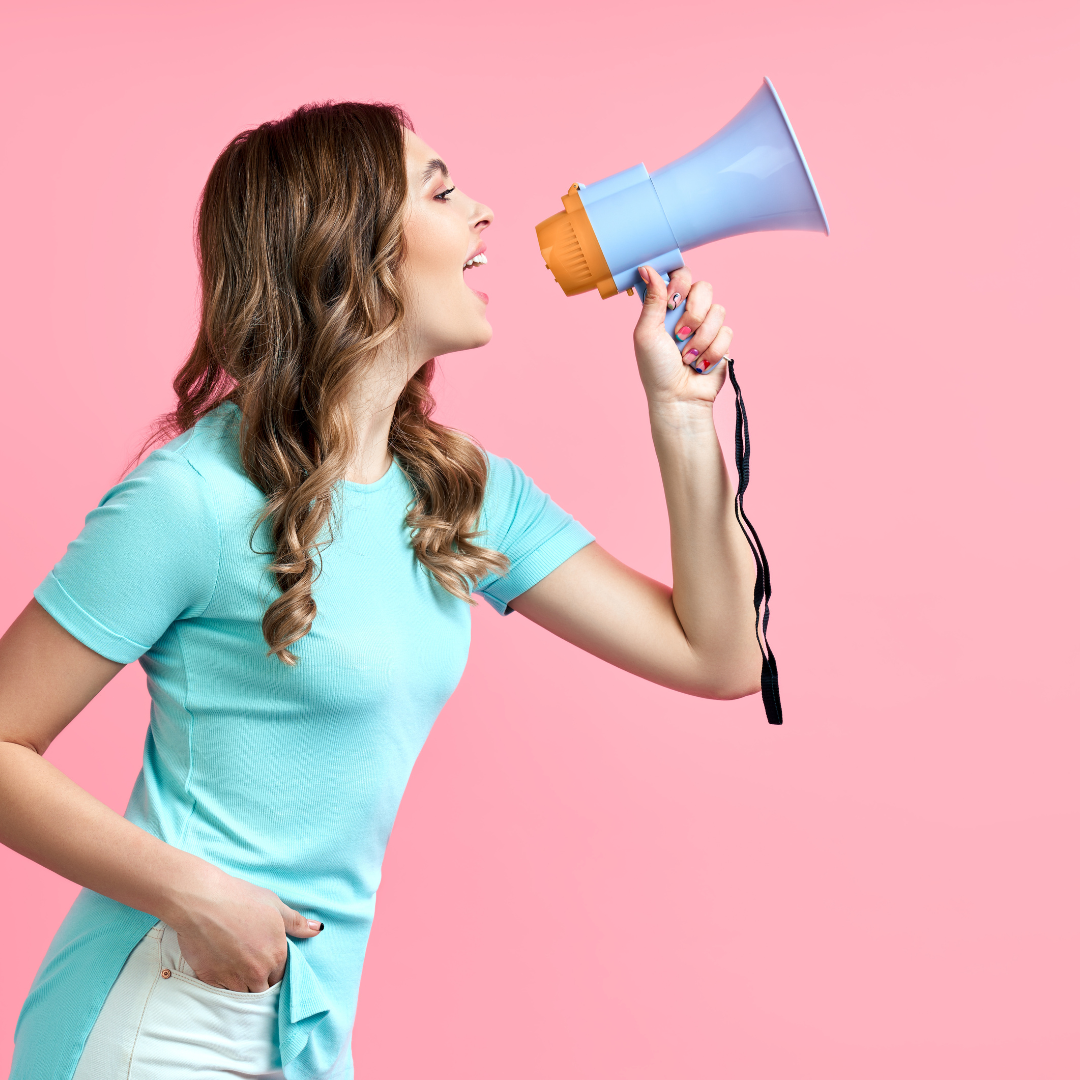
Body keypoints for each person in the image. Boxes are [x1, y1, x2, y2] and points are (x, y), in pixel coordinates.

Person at [0, 101, 760, 1080]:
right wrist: (195, 893)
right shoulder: (192, 498)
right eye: (441, 190)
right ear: (347, 247)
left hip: (307, 1029)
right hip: (167, 1011)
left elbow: (721, 655)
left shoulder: (459, 494)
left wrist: (681, 414)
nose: (484, 213)